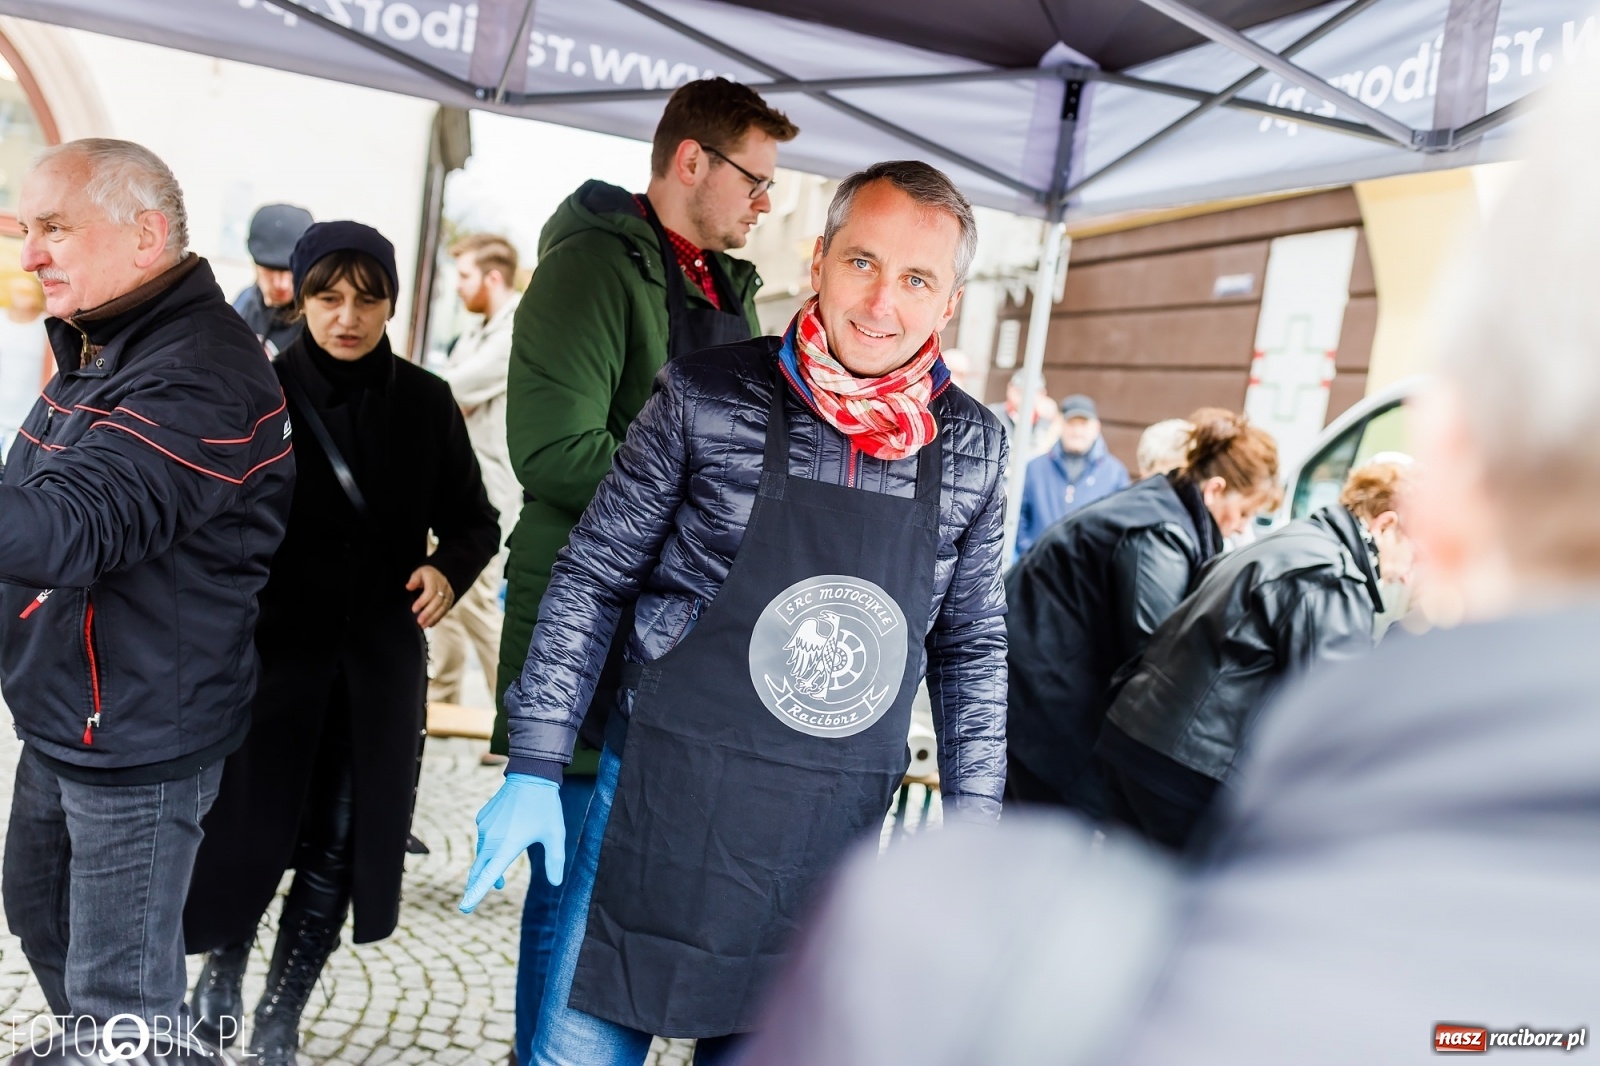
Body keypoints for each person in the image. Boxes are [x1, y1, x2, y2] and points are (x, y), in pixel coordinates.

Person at [740, 57, 1600, 1066]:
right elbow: (1146, 637)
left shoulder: (945, 961)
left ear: (1450, 466)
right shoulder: (1176, 531)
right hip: (1069, 728)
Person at [462, 160, 1008, 1066]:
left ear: (948, 303)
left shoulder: (976, 448)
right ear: (819, 260)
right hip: (658, 806)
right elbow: (594, 574)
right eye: (863, 262)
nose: (882, 302)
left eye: (918, 279)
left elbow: (972, 647)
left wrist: (976, 829)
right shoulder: (704, 396)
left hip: (823, 846)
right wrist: (537, 759)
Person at [491, 77, 798, 1066]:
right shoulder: (589, 267)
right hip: (584, 622)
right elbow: (554, 452)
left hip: (678, 641)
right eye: (755, 179)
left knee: (631, 882)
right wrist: (713, 511)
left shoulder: (728, 285)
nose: (767, 202)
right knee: (567, 891)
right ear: (691, 161)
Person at [182, 222, 499, 1065]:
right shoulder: (257, 393)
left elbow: (475, 521)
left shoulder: (426, 402)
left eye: (367, 298)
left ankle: (280, 1018)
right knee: (250, 831)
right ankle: (219, 975)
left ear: (392, 302)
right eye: (329, 297)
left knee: (340, 842)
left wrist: (447, 571)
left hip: (377, 670)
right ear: (301, 297)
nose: (348, 316)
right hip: (270, 662)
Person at [0, 139, 294, 1031]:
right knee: (41, 917)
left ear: (145, 236)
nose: (29, 254)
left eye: (54, 228)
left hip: (134, 734)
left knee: (120, 998)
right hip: (69, 712)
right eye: (25, 229)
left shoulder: (202, 371)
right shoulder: (105, 337)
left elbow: (73, 527)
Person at [1097, 460, 1415, 849]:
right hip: (1189, 766)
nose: (1408, 575)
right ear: (1385, 526)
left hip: (1136, 731)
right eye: (1416, 554)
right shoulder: (1333, 576)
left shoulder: (1294, 540)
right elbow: (1334, 708)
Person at [1004, 409, 1278, 818]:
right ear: (1216, 489)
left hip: (1038, 690)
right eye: (1244, 512)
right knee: (1034, 837)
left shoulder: (1164, 502)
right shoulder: (1161, 533)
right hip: (1041, 704)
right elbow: (1156, 653)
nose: (1242, 527)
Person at [428, 233, 523, 720]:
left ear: (492, 277)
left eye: (465, 276)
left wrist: (449, 401)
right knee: (443, 590)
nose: (459, 286)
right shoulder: (477, 331)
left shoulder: (515, 332)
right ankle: (441, 701)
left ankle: (514, 718)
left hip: (490, 489)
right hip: (457, 483)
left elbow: (447, 390)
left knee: (478, 601)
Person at [1013, 393, 1129, 557]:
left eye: (1083, 424)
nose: (1077, 431)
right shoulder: (1034, 468)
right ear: (1060, 425)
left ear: (1096, 428)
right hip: (1037, 566)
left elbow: (1120, 525)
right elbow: (1017, 517)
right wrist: (1030, 555)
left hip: (1088, 569)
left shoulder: (1115, 474)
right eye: (1071, 423)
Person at [232, 203, 313, 356]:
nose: (281, 284)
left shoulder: (319, 323)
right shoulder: (244, 304)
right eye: (270, 269)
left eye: (291, 270)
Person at [0, 275, 47, 460]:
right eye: (19, 290)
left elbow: (49, 371)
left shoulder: (46, 323)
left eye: (28, 290)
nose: (23, 296)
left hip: (27, 418)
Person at [986, 368, 1058, 458]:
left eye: (1031, 392)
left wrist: (1055, 418)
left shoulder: (1049, 421)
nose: (1024, 397)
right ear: (1009, 388)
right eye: (1019, 391)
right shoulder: (991, 414)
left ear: (1042, 394)